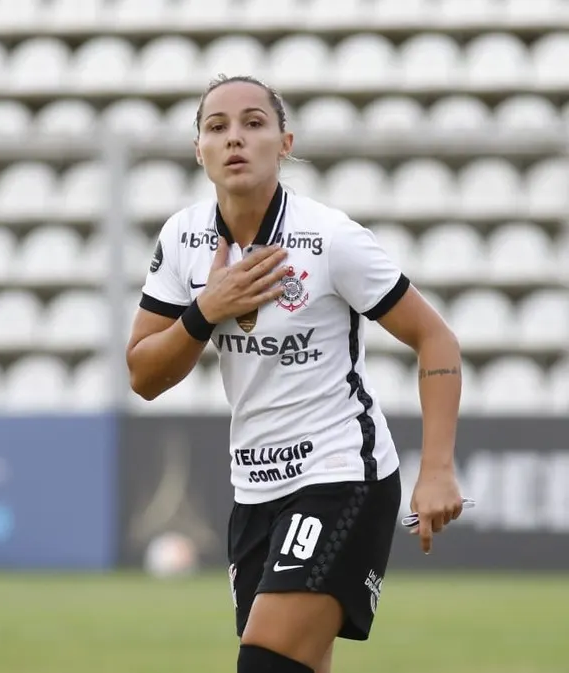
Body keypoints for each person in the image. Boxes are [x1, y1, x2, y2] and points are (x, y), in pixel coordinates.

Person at [126, 74, 466, 673]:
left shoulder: (330, 239)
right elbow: (144, 374)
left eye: (255, 123)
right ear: (198, 149)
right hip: (254, 488)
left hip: (342, 475)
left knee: (265, 663)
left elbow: (434, 337)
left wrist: (436, 468)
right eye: (217, 126)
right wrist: (206, 309)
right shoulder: (182, 238)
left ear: (285, 143)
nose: (236, 138)